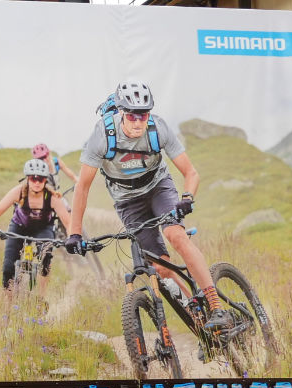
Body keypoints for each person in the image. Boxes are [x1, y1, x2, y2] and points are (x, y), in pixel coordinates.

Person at [63, 80, 231, 331]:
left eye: (143, 115)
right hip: (127, 200)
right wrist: (74, 233)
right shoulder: (102, 135)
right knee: (161, 267)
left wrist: (187, 198)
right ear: (121, 112)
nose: (138, 122)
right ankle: (201, 324)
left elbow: (191, 173)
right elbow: (83, 188)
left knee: (176, 235)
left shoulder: (158, 129)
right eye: (132, 115)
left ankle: (217, 308)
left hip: (158, 187)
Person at [0, 158, 74, 291]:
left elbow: (68, 222)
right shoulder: (18, 192)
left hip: (43, 228)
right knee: (8, 268)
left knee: (45, 260)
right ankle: (9, 307)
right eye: (33, 178)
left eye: (41, 179)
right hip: (19, 227)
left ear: (45, 180)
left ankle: (42, 297)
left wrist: (72, 237)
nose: (37, 182)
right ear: (27, 178)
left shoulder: (52, 197)